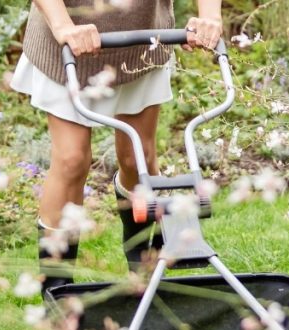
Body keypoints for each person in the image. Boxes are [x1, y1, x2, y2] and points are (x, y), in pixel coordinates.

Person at [12, 0, 223, 288]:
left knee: (137, 159)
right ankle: (57, 286)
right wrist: (62, 26)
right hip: (67, 42)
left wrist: (209, 17)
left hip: (142, 42)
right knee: (71, 160)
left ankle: (143, 265)